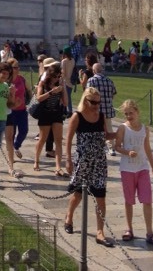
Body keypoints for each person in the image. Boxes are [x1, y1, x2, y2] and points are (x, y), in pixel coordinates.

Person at [64, 87, 118, 246]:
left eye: (98, 102)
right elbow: (68, 140)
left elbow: (106, 135)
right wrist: (68, 160)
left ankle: (100, 232)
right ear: (85, 100)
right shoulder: (77, 116)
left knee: (101, 196)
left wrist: (121, 132)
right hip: (83, 161)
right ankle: (69, 216)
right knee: (78, 194)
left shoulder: (101, 116)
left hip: (99, 161)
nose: (96, 105)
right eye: (93, 102)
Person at [115, 99, 153, 247]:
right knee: (129, 200)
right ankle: (129, 228)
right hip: (127, 169)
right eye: (126, 114)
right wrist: (127, 152)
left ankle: (150, 232)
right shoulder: (123, 128)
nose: (129, 116)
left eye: (131, 113)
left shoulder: (144, 129)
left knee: (147, 199)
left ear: (137, 112)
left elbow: (147, 148)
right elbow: (116, 146)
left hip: (142, 168)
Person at [33, 60, 67, 173]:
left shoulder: (59, 84)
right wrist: (52, 92)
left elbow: (66, 103)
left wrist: (63, 88)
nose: (57, 78)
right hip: (45, 113)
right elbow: (39, 98)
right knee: (43, 138)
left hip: (56, 113)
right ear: (50, 75)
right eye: (55, 76)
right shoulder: (43, 84)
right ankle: (36, 161)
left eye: (59, 76)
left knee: (58, 140)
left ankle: (58, 166)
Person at [5, 57, 29, 176]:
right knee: (11, 134)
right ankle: (11, 159)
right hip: (11, 111)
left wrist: (28, 99)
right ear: (10, 69)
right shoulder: (7, 82)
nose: (18, 69)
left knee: (24, 131)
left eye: (18, 67)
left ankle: (16, 145)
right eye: (15, 67)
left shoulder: (22, 79)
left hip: (22, 109)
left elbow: (29, 91)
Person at [87, 62, 117, 155]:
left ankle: (98, 146)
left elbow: (88, 95)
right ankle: (112, 148)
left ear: (94, 71)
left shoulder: (91, 80)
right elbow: (113, 93)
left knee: (95, 128)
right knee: (109, 128)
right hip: (107, 108)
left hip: (96, 109)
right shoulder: (109, 80)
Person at [61, 45, 76, 115]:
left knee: (65, 97)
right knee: (68, 97)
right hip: (71, 81)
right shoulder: (73, 60)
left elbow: (63, 72)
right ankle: (69, 110)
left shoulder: (64, 61)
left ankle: (68, 111)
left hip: (65, 81)